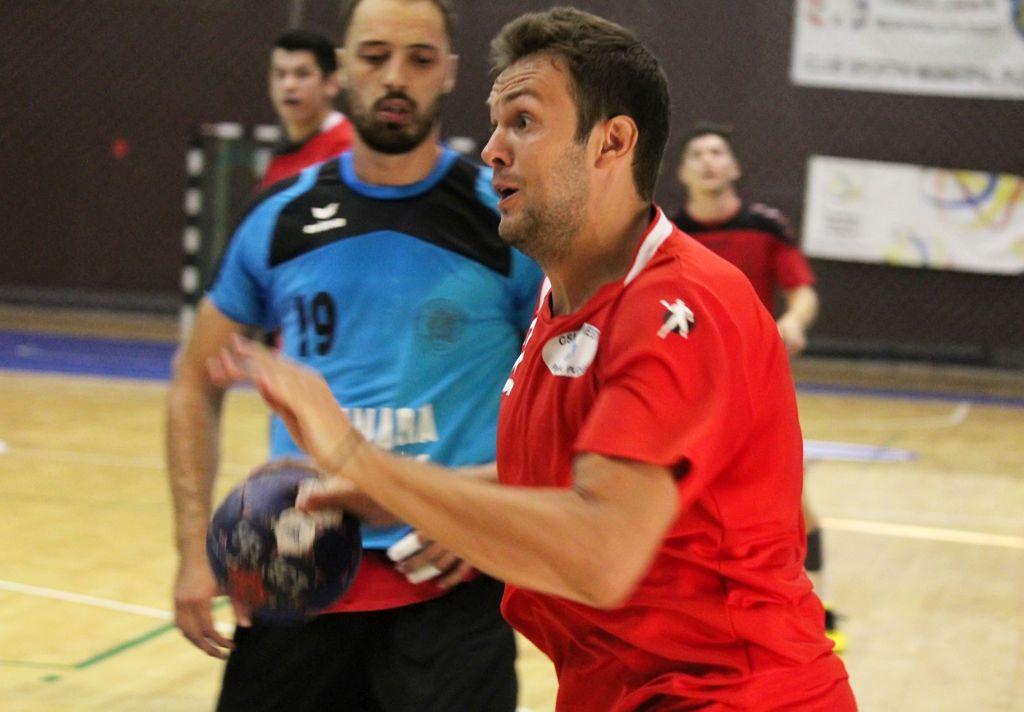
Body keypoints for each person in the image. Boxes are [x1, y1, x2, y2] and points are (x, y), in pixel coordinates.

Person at [209, 7, 856, 710]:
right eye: (495, 124)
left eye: (522, 121)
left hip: (734, 695)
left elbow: (600, 552)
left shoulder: (679, 306)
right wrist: (386, 493)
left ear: (611, 143)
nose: (492, 149)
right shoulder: (565, 299)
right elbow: (561, 481)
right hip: (619, 690)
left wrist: (356, 454)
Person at [167, 0, 539, 709]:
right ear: (343, 69)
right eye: (374, 56)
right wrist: (193, 548)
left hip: (453, 582)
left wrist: (496, 496)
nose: (395, 76)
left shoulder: (508, 219)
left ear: (449, 73)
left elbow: (576, 396)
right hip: (295, 571)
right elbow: (193, 381)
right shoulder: (279, 217)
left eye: (419, 59)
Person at [670, 124, 844, 653]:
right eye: (697, 154)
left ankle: (819, 607)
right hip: (689, 388)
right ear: (682, 172)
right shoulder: (668, 233)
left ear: (734, 167)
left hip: (755, 383)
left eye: (717, 152)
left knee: (790, 498)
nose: (708, 161)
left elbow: (802, 290)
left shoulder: (765, 226)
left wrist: (795, 320)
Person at [258, 29, 354, 190]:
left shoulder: (348, 151)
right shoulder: (280, 158)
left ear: (332, 83)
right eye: (280, 74)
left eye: (302, 74)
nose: (289, 85)